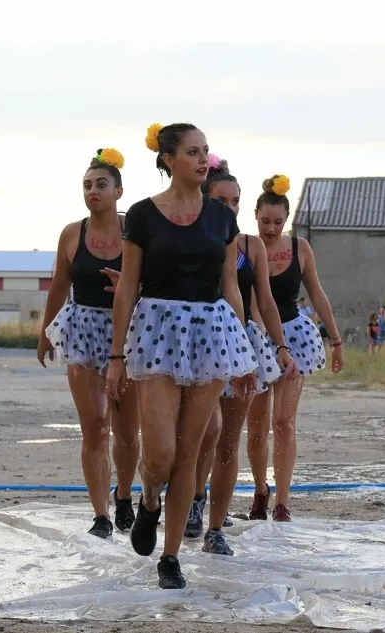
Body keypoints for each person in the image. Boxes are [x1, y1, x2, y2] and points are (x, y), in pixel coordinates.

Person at [105, 122, 258, 589]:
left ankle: (170, 557)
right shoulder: (142, 215)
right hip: (156, 331)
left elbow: (231, 285)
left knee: (190, 451)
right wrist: (115, 356)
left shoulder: (222, 218)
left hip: (211, 332)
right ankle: (149, 497)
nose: (201, 159)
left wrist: (243, 352)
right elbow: (128, 287)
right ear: (168, 159)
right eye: (192, 151)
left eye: (205, 151)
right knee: (161, 453)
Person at [188, 155, 296, 555]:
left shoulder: (250, 245)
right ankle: (193, 497)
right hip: (196, 342)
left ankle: (215, 527)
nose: (230, 208)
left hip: (242, 340)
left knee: (228, 440)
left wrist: (280, 346)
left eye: (235, 201)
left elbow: (264, 299)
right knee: (202, 434)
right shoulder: (187, 236)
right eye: (221, 201)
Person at [37, 148, 141, 541]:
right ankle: (100, 514)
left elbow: (156, 281)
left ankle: (124, 495)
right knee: (94, 427)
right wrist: (45, 332)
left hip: (127, 333)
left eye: (101, 184)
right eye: (86, 185)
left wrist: (133, 288)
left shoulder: (136, 231)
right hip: (81, 330)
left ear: (118, 191)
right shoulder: (71, 233)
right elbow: (58, 285)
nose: (92, 191)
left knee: (127, 431)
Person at [246, 173, 343, 523]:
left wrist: (336, 339)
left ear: (286, 220)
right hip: (256, 337)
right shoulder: (245, 248)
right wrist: (265, 342)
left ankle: (283, 502)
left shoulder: (300, 248)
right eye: (265, 221)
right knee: (257, 428)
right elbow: (252, 300)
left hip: (295, 336)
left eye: (277, 222)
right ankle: (260, 490)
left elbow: (316, 292)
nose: (271, 229)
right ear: (255, 217)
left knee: (284, 421)